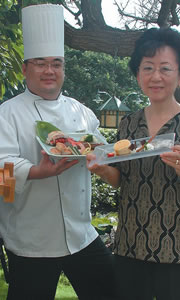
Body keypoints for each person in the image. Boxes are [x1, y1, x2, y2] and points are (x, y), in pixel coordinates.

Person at [0, 4, 116, 300]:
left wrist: (106, 158)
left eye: (56, 63)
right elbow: (2, 178)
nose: (49, 70)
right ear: (25, 68)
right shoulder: (7, 113)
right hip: (30, 241)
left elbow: (100, 153)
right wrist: (38, 172)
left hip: (82, 235)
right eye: (40, 63)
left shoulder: (81, 111)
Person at [87, 27, 180, 300]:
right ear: (138, 74)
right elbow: (122, 179)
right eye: (148, 68)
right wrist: (102, 168)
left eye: (165, 68)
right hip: (131, 247)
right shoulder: (129, 123)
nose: (156, 76)